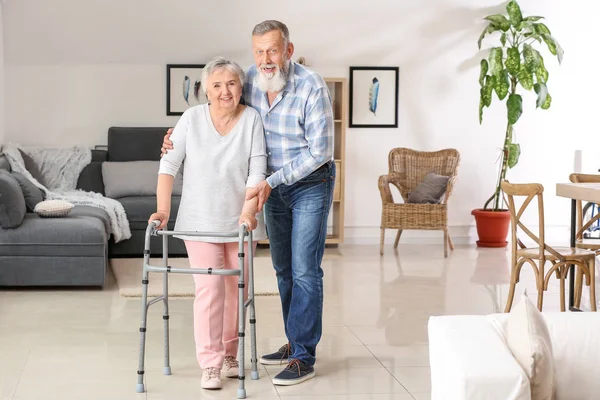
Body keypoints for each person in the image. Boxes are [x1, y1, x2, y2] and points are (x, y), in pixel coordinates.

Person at [161, 20, 335, 386]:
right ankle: (292, 342)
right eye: (259, 51)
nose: (265, 58)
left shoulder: (311, 85)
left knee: (305, 269)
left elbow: (321, 152)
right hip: (268, 188)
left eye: (273, 50)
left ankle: (304, 355)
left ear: (288, 49)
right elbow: (215, 109)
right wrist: (174, 137)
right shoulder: (250, 81)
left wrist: (268, 182)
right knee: (284, 268)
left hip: (307, 183)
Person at [149, 56, 267, 390]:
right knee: (209, 290)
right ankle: (211, 363)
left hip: (241, 220)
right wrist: (162, 210)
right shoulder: (191, 118)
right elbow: (169, 163)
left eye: (231, 83)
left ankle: (231, 354)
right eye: (216, 85)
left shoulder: (252, 119)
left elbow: (257, 169)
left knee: (235, 290)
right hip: (199, 219)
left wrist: (248, 212)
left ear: (241, 87)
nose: (224, 91)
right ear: (206, 90)